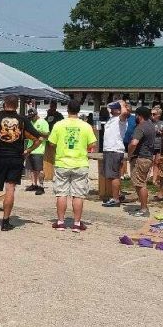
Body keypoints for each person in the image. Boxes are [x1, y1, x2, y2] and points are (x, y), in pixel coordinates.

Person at [0, 95, 46, 232]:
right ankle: (5, 222)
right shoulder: (23, 120)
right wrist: (28, 151)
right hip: (16, 158)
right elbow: (38, 139)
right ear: (17, 105)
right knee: (10, 189)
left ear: (4, 104)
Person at [46, 99, 97, 232]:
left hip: (62, 162)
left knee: (61, 193)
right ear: (79, 110)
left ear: (67, 110)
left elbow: (51, 143)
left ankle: (61, 222)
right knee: (78, 195)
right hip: (80, 163)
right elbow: (92, 144)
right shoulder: (86, 126)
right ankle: (77, 223)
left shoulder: (59, 124)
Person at [100, 100, 130, 207]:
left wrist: (122, 104)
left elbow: (125, 113)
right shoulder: (112, 119)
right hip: (108, 150)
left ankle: (116, 199)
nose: (111, 110)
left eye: (114, 108)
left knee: (113, 175)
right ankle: (117, 194)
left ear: (119, 110)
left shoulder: (121, 119)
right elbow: (108, 107)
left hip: (115, 150)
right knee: (109, 175)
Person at [127, 106, 156, 217]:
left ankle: (144, 209)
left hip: (140, 158)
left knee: (140, 184)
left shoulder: (141, 127)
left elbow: (134, 143)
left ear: (139, 115)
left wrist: (129, 153)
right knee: (140, 182)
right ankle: (142, 207)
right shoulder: (151, 126)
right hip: (148, 157)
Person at [24, 108, 50, 195]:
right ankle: (34, 184)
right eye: (30, 117)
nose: (31, 118)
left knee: (39, 169)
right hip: (30, 148)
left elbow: (47, 134)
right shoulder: (31, 122)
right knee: (32, 169)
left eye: (32, 117)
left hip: (39, 149)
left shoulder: (43, 122)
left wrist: (36, 133)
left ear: (36, 115)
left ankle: (41, 186)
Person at [151, 106, 163, 183]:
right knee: (149, 162)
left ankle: (154, 180)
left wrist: (162, 132)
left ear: (158, 115)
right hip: (150, 145)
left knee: (157, 162)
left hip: (159, 145)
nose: (152, 115)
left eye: (154, 114)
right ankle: (145, 179)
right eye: (151, 114)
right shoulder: (149, 122)